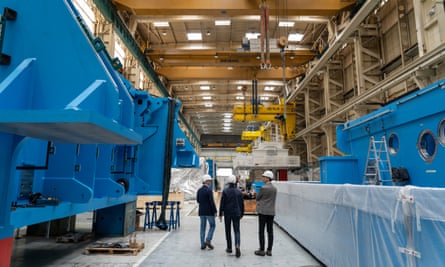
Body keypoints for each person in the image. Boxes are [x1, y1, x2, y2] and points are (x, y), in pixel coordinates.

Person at [219, 174, 244, 258]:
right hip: (236, 213)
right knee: (237, 230)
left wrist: (220, 213)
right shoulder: (239, 191)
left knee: (228, 230)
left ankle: (229, 248)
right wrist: (242, 213)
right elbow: (242, 204)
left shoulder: (225, 191)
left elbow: (222, 203)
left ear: (228, 182)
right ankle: (237, 245)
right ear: (235, 181)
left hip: (227, 213)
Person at [254, 170, 277, 256]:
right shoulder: (275, 189)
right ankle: (269, 250)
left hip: (263, 212)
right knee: (270, 231)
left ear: (268, 178)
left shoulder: (263, 188)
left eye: (264, 177)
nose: (263, 178)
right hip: (271, 212)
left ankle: (262, 250)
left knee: (261, 231)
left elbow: (258, 198)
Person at [196, 174, 217, 250]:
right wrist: (215, 211)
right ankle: (208, 239)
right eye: (209, 180)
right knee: (212, 225)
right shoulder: (209, 190)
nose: (210, 182)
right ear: (206, 181)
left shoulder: (199, 190)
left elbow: (198, 200)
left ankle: (202, 244)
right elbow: (212, 202)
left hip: (201, 212)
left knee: (202, 227)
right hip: (209, 212)